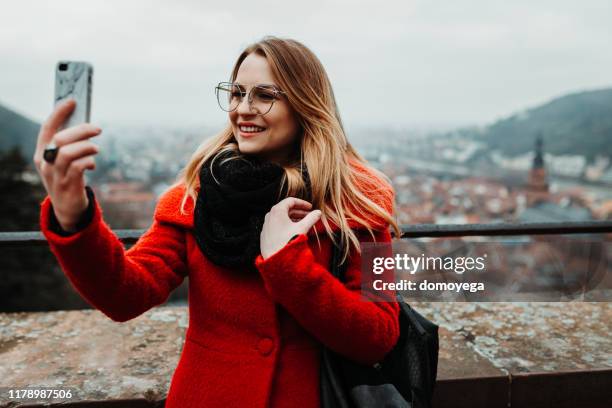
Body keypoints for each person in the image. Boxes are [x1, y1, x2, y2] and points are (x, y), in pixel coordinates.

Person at [33, 36, 402, 408]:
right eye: (237, 93)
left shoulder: (358, 205)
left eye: (264, 95)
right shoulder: (194, 198)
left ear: (305, 104)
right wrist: (73, 215)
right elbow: (125, 294)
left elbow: (379, 334)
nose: (243, 108)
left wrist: (289, 265)